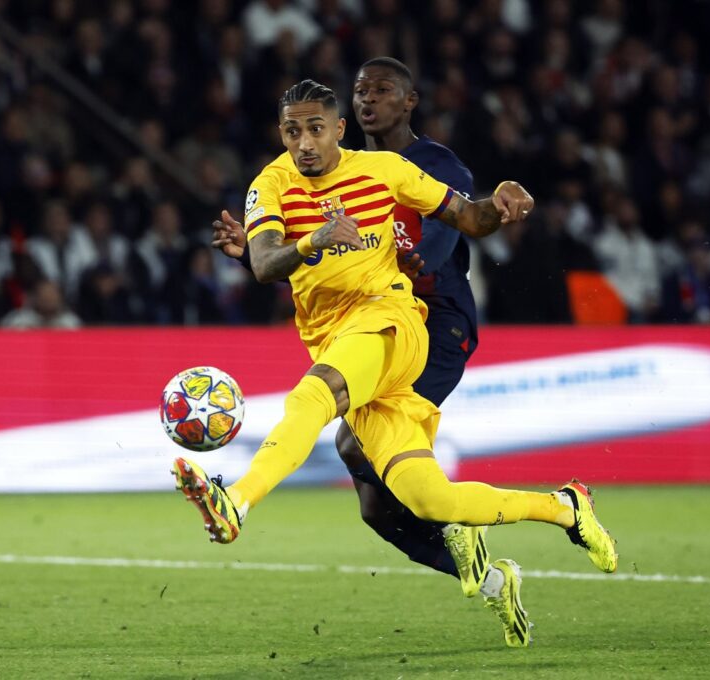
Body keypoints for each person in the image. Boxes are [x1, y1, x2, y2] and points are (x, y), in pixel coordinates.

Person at [173, 77, 617, 641]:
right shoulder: (270, 184)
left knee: (314, 396)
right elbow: (264, 264)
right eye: (292, 131)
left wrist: (501, 204)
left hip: (392, 321)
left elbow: (469, 219)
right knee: (429, 497)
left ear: (338, 129)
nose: (304, 142)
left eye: (315, 129)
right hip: (341, 342)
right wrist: (317, 240)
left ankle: (234, 500)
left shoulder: (386, 172)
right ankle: (566, 508)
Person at [212, 57, 529, 646]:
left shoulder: (427, 166)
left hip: (432, 324)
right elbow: (331, 260)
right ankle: (474, 564)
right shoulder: (331, 170)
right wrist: (259, 256)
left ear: (410, 100)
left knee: (351, 439)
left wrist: (490, 210)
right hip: (366, 319)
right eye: (359, 91)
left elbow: (433, 244)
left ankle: (249, 497)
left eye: (381, 90)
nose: (367, 101)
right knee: (373, 506)